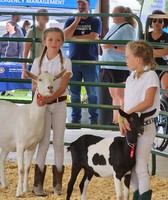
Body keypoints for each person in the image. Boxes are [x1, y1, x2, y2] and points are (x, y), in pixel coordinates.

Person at [30, 27, 72, 196]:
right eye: (50, 40)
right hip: (43, 108)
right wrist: (40, 96)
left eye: (58, 40)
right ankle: (37, 184)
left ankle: (58, 184)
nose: (54, 43)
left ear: (62, 42)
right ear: (44, 42)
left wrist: (48, 98)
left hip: (59, 105)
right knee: (44, 142)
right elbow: (34, 85)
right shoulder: (37, 62)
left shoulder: (66, 62)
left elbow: (62, 87)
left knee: (59, 143)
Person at [119, 41, 160, 200]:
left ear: (138, 60)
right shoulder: (130, 78)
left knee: (141, 167)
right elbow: (125, 101)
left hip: (145, 127)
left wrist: (126, 114)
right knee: (132, 167)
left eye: (127, 57)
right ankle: (137, 196)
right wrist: (123, 119)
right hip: (131, 127)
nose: (126, 60)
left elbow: (148, 101)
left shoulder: (151, 76)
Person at [64, 0, 102, 125]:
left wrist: (73, 38)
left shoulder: (95, 20)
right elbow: (64, 36)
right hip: (73, 60)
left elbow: (93, 37)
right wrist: (76, 22)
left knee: (92, 93)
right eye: (79, 3)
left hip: (90, 60)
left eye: (83, 3)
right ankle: (75, 119)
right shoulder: (71, 20)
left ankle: (94, 119)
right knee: (74, 93)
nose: (81, 6)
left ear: (88, 5)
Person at [100, 5, 137, 125]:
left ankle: (122, 120)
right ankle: (115, 120)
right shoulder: (115, 27)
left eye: (114, 14)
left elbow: (129, 48)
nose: (112, 16)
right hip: (109, 64)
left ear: (122, 16)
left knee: (120, 94)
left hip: (119, 65)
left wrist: (112, 46)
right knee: (114, 94)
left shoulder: (127, 29)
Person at [145, 10, 168, 98]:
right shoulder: (145, 36)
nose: (157, 23)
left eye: (160, 21)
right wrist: (158, 52)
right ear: (151, 22)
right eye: (154, 20)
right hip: (147, 67)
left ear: (164, 23)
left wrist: (149, 51)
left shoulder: (167, 36)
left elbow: (165, 52)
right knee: (148, 94)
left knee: (166, 90)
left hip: (162, 66)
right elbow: (141, 52)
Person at [21, 8, 49, 79]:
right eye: (44, 15)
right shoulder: (31, 32)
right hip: (34, 64)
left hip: (47, 64)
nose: (47, 17)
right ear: (38, 17)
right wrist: (24, 70)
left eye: (47, 15)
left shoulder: (49, 32)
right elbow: (26, 51)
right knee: (35, 87)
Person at [0, 20, 24, 96]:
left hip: (13, 58)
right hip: (3, 58)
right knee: (2, 74)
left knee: (10, 74)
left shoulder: (19, 36)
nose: (7, 27)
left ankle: (10, 91)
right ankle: (3, 89)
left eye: (8, 25)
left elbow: (21, 48)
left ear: (13, 26)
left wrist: (22, 60)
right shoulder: (4, 36)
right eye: (6, 26)